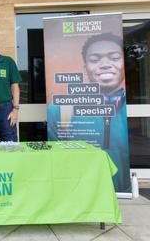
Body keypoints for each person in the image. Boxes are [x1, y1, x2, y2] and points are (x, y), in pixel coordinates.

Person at [48, 33, 130, 192]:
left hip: (121, 192)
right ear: (85, 68)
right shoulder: (60, 110)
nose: (105, 64)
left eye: (114, 57)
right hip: (78, 192)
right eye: (95, 59)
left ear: (123, 63)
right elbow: (59, 159)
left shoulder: (130, 110)